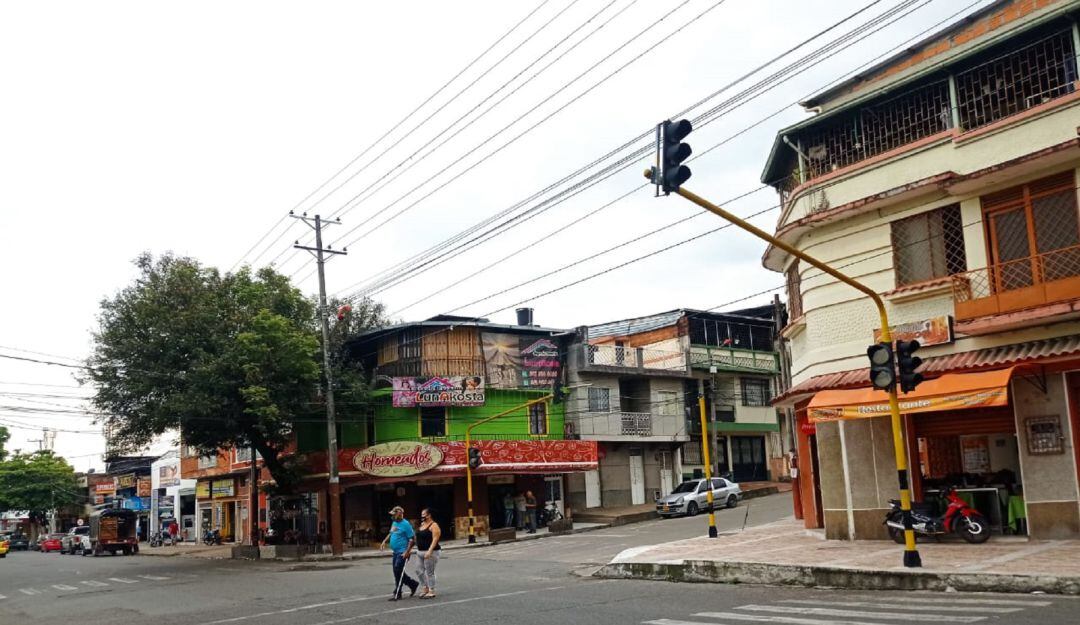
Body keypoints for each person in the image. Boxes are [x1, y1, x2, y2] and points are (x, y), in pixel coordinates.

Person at [379, 506, 419, 601]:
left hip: (403, 552)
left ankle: (398, 592)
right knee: (397, 571)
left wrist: (407, 551)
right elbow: (391, 533)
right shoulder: (394, 522)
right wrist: (384, 541)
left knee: (397, 569)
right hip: (396, 552)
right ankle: (413, 584)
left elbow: (412, 539)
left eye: (394, 514)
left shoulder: (406, 524)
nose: (392, 516)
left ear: (399, 514)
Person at [414, 508, 442, 599]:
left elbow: (435, 539)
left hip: (431, 552)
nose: (422, 516)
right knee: (419, 570)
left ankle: (431, 590)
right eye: (422, 514)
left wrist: (430, 551)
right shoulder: (422, 525)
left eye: (424, 514)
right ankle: (425, 587)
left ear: (429, 515)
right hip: (420, 552)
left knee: (430, 572)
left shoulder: (434, 525)